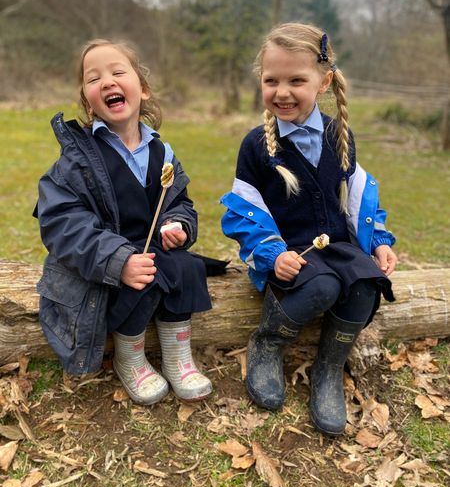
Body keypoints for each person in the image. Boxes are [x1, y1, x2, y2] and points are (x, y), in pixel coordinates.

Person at [220, 23, 397, 436]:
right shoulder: (256, 146)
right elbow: (245, 210)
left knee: (366, 284)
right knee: (322, 287)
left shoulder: (341, 136)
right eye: (271, 81)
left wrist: (380, 242)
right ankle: (268, 342)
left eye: (296, 80)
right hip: (290, 252)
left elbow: (358, 198)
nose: (282, 92)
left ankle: (329, 368)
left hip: (336, 246)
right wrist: (270, 254)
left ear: (324, 81)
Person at [35, 39, 213, 405]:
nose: (107, 82)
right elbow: (63, 222)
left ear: (142, 89)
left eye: (118, 72)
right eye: (94, 78)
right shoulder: (78, 159)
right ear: (87, 101)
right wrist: (118, 262)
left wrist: (177, 224)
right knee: (140, 279)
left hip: (151, 253)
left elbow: (179, 201)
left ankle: (179, 358)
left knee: (187, 267)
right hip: (104, 266)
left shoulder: (162, 152)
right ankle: (130, 358)